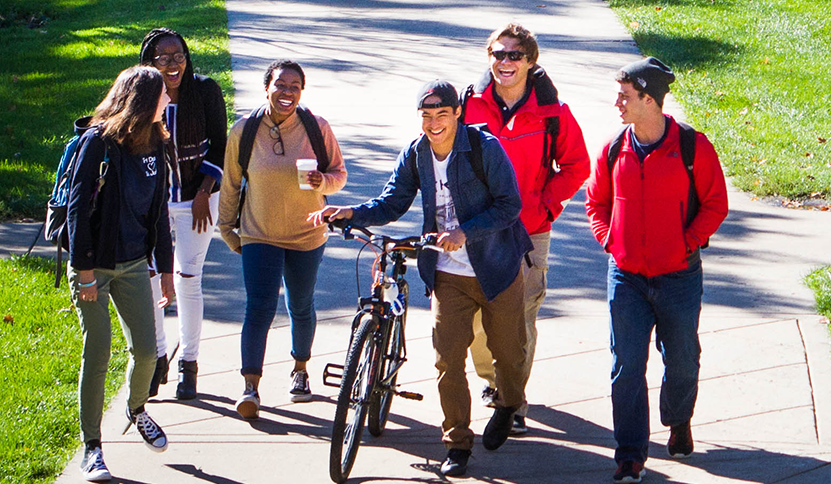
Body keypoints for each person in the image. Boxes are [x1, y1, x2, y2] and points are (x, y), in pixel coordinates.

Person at [309, 80, 533, 477]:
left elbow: (509, 205)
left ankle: (508, 403)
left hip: (496, 267)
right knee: (447, 360)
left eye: (441, 115)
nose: (433, 124)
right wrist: (351, 212)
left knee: (509, 355)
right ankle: (458, 444)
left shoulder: (484, 148)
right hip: (446, 273)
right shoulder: (416, 153)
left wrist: (466, 231)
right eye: (426, 116)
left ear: (457, 114)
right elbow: (392, 201)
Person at [585, 57, 728, 483]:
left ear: (650, 100)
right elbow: (596, 204)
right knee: (626, 365)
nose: (618, 103)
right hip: (626, 276)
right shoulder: (614, 149)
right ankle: (630, 453)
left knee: (682, 359)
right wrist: (610, 240)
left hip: (679, 275)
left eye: (625, 96)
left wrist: (684, 243)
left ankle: (678, 419)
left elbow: (716, 204)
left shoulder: (692, 146)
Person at [461, 22, 590, 432]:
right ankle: (492, 380)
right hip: (480, 229)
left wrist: (546, 206)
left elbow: (576, 166)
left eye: (514, 55)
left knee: (520, 317)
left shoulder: (553, 112)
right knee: (481, 320)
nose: (505, 62)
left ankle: (512, 399)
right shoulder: (468, 106)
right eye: (498, 54)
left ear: (531, 61)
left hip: (529, 230)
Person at [217, 59, 347, 419]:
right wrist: (227, 229)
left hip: (307, 234)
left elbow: (339, 174)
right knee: (258, 307)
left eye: (294, 86)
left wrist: (326, 181)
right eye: (280, 85)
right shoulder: (244, 131)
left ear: (301, 92)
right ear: (266, 88)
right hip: (259, 233)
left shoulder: (316, 128)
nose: (286, 92)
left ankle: (300, 370)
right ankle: (250, 387)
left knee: (300, 304)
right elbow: (230, 183)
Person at [67, 65, 175, 482]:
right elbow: (77, 209)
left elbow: (160, 212)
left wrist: (165, 269)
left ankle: (136, 409)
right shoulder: (99, 142)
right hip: (94, 265)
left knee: (147, 353)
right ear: (143, 99)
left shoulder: (156, 145)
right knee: (97, 355)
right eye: (162, 94)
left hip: (134, 265)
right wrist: (85, 271)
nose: (168, 100)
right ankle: (92, 446)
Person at [139, 27, 228, 401]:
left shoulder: (205, 90)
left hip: (197, 201)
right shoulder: (141, 95)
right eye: (164, 58)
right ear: (150, 62)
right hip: (151, 206)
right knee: (152, 281)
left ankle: (188, 364)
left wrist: (204, 191)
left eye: (179, 57)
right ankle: (158, 356)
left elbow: (221, 145)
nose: (173, 65)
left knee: (187, 278)